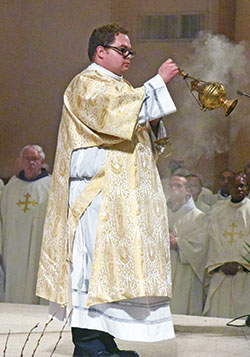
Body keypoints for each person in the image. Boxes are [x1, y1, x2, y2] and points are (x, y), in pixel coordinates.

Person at [36, 23, 179, 357]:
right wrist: (158, 84)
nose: (129, 57)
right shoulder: (86, 84)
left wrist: (152, 118)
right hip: (95, 196)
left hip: (118, 197)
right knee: (91, 272)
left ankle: (103, 341)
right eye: (122, 50)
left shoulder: (120, 87)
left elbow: (141, 135)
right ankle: (88, 345)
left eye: (131, 51)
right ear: (100, 51)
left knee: (111, 275)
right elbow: (115, 116)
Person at [0, 145, 51, 304]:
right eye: (27, 159)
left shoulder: (50, 186)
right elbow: (2, 220)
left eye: (35, 159)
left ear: (42, 161)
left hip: (38, 247)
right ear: (21, 161)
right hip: (13, 249)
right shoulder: (11, 187)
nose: (31, 163)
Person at [203, 172, 250, 318]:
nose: (239, 189)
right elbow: (214, 238)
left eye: (242, 186)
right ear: (228, 188)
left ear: (247, 188)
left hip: (244, 274)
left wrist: (240, 263)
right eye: (234, 186)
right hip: (221, 273)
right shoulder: (218, 210)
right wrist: (222, 264)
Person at [166, 175, 208, 315]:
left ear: (188, 190)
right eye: (170, 186)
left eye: (178, 186)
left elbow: (200, 246)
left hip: (185, 273)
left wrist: (178, 243)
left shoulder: (198, 217)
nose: (173, 189)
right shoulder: (161, 213)